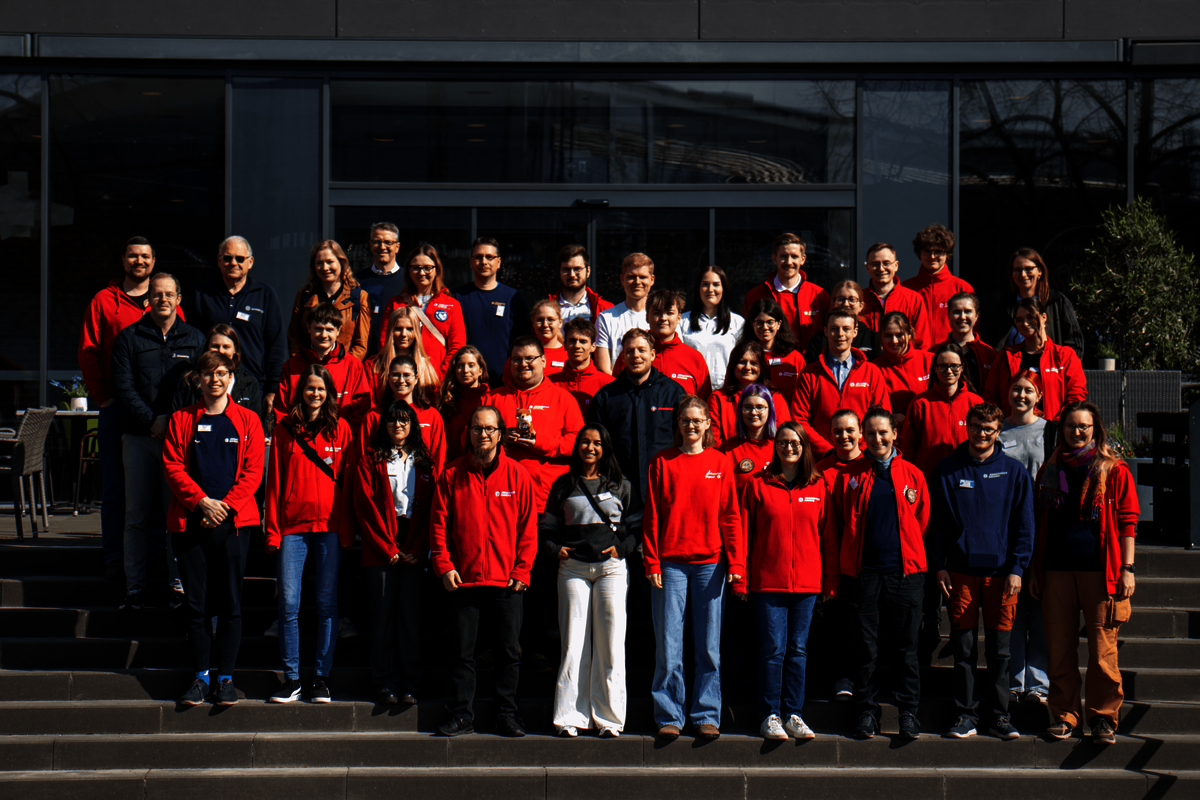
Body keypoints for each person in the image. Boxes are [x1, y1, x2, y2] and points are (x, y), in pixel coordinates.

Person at [1031, 401, 1138, 745]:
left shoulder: (1114, 469)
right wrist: (1035, 570)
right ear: (1060, 429)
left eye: (1083, 426)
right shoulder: (1049, 469)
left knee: (1103, 650)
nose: (1076, 432)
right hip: (1056, 570)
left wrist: (1127, 568)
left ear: (1096, 429)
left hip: (1100, 572)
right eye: (1070, 425)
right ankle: (1065, 715)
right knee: (1059, 649)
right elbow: (1039, 523)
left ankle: (1102, 718)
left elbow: (1128, 522)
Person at [164, 350, 265, 708]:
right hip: (191, 523)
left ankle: (226, 678)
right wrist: (202, 502)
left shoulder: (248, 420)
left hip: (233, 524)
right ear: (198, 379)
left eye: (222, 373)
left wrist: (223, 508)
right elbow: (173, 467)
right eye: (208, 374)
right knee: (196, 605)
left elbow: (253, 471)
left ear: (231, 377)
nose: (215, 380)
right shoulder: (181, 419)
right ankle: (200, 677)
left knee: (231, 604)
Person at [431, 406, 538, 738]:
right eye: (477, 428)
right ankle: (462, 714)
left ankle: (506, 715)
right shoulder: (451, 474)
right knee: (462, 652)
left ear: (501, 433)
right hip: (464, 579)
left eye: (490, 429)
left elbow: (528, 529)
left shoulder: (518, 475)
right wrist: (444, 565)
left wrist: (523, 570)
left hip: (507, 580)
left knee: (509, 652)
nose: (483, 435)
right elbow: (439, 526)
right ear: (469, 433)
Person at [930, 402, 1035, 741]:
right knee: (963, 650)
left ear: (998, 431)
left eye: (989, 428)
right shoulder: (946, 469)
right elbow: (937, 524)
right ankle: (965, 715)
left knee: (1000, 651)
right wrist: (940, 565)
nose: (981, 433)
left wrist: (1018, 567)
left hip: (1002, 575)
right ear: (967, 426)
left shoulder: (1013, 471)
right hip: (960, 574)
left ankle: (1000, 716)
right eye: (976, 426)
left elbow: (1024, 525)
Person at [643, 396, 743, 741]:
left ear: (708, 424)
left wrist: (736, 561)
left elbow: (730, 515)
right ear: (678, 424)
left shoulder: (720, 462)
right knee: (669, 644)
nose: (691, 425)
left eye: (697, 420)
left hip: (710, 565)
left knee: (709, 646)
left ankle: (706, 714)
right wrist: (652, 560)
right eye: (685, 420)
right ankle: (669, 714)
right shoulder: (662, 462)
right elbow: (652, 515)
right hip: (670, 563)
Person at [828, 407, 930, 741]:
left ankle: (908, 712)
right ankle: (866, 712)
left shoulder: (913, 474)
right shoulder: (850, 475)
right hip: (863, 574)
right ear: (863, 437)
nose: (877, 439)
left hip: (905, 574)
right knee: (865, 648)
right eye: (870, 433)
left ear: (895, 434)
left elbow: (922, 519)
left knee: (905, 648)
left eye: (883, 432)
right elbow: (840, 519)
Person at [110, 272, 206, 611]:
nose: (163, 299)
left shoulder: (195, 339)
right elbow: (122, 387)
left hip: (178, 443)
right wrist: (152, 421)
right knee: (135, 516)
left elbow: (200, 388)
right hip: (138, 438)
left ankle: (177, 587)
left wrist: (173, 424)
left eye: (169, 294)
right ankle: (134, 588)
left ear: (178, 299)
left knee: (176, 516)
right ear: (147, 299)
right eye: (156, 294)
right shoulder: (129, 338)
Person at [78, 237, 171, 581]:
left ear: (153, 261)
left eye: (145, 256)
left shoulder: (165, 300)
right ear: (123, 260)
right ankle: (115, 557)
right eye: (133, 256)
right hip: (117, 409)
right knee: (117, 487)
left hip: (157, 413)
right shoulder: (104, 301)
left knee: (159, 486)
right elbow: (88, 350)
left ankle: (155, 556)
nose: (139, 261)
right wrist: (101, 396)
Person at [737, 421, 837, 741]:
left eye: (795, 442)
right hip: (768, 582)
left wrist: (830, 581)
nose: (788, 447)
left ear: (805, 446)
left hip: (807, 584)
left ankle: (794, 714)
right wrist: (740, 578)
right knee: (773, 649)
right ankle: (770, 715)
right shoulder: (758, 484)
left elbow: (828, 538)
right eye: (782, 441)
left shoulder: (818, 486)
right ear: (775, 446)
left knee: (798, 649)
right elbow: (743, 533)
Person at [265, 364, 354, 704]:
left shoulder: (342, 429)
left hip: (330, 527)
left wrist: (346, 529)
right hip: (292, 527)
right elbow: (274, 482)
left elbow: (349, 483)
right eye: (310, 387)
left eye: (321, 388)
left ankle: (320, 678)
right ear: (300, 391)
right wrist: (272, 531)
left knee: (326, 602)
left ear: (329, 393)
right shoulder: (285, 429)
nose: (315, 393)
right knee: (289, 603)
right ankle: (291, 679)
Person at [539, 424, 636, 737]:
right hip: (573, 570)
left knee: (610, 644)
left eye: (596, 443)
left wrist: (622, 548)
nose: (590, 448)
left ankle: (609, 719)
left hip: (611, 569)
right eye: (584, 442)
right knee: (573, 644)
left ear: (605, 448)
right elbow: (547, 525)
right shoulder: (563, 484)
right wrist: (554, 549)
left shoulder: (621, 485)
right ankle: (570, 716)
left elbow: (637, 525)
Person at [353, 399, 437, 706]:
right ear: (384, 425)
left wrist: (419, 548)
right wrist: (387, 547)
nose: (398, 425)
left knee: (410, 619)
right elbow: (364, 506)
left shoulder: (424, 461)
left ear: (412, 425)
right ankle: (384, 683)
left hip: (413, 541)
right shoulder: (371, 459)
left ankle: (410, 683)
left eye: (404, 420)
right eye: (392, 420)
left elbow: (432, 508)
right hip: (381, 545)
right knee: (383, 618)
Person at [587, 328, 687, 527]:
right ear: (622, 356)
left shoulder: (673, 393)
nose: (636, 356)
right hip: (619, 488)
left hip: (664, 486)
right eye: (630, 351)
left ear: (652, 354)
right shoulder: (606, 396)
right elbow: (595, 445)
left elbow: (686, 441)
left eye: (641, 350)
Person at [1001, 370, 1057, 704]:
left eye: (1028, 390)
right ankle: (1014, 680)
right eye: (1016, 389)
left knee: (1039, 609)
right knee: (1012, 608)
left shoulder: (1050, 431)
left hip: (1043, 524)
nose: (1021, 395)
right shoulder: (998, 431)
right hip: (1008, 527)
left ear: (1039, 396)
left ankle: (1038, 682)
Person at [185, 235, 287, 415]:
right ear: (219, 260)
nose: (233, 263)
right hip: (208, 386)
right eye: (227, 258)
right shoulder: (201, 294)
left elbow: (276, 346)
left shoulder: (265, 295)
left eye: (240, 259)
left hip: (252, 388)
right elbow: (190, 341)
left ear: (250, 262)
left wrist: (273, 389)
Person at [486, 336, 585, 512]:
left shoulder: (563, 398)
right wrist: (498, 437)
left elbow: (578, 441)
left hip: (548, 499)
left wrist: (539, 442)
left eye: (530, 358)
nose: (523, 364)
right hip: (500, 497)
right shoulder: (492, 399)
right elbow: (468, 437)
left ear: (543, 361)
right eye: (517, 359)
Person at [813, 408, 864, 701]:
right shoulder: (820, 471)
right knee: (833, 622)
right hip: (829, 558)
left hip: (863, 559)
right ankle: (837, 678)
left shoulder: (872, 465)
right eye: (837, 431)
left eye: (849, 430)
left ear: (860, 433)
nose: (844, 436)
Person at [793, 309, 890, 458]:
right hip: (822, 459)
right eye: (834, 328)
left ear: (855, 332)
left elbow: (882, 417)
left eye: (846, 329)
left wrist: (861, 450)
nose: (840, 334)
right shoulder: (809, 374)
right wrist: (827, 451)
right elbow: (799, 419)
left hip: (864, 458)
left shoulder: (872, 372)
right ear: (825, 331)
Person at [984, 297, 1087, 423]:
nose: (1025, 323)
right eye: (1019, 320)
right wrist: (1000, 422)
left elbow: (1076, 396)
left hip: (1054, 428)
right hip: (1012, 429)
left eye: (1030, 317)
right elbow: (990, 394)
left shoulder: (1065, 355)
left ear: (1044, 317)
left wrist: (1057, 425)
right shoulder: (1006, 356)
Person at [274, 302, 373, 428]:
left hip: (338, 438)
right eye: (318, 329)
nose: (324, 335)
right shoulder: (291, 366)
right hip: (297, 437)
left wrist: (345, 436)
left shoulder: (353, 366)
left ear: (338, 330)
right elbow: (281, 411)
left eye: (329, 330)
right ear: (308, 328)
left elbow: (360, 410)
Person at [377, 243, 467, 375]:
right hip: (402, 377)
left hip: (437, 377)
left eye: (428, 268)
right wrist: (395, 374)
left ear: (437, 270)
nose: (421, 272)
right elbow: (385, 342)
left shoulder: (451, 304)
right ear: (409, 270)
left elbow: (457, 346)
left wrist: (441, 376)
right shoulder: (396, 303)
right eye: (416, 268)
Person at [899, 341, 984, 479]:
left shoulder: (975, 402)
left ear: (962, 367)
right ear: (935, 368)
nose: (949, 371)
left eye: (954, 366)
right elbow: (908, 447)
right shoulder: (920, 403)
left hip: (968, 477)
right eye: (943, 366)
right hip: (930, 479)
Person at [982, 248, 1084, 357]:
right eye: (1017, 270)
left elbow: (1075, 343)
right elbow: (989, 342)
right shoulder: (1004, 305)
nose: (1023, 274)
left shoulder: (1057, 302)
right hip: (1012, 366)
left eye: (1028, 269)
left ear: (1039, 271)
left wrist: (1064, 365)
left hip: (1050, 366)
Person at [455, 237, 530, 385]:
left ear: (499, 262)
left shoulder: (513, 298)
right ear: (471, 262)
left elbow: (524, 341)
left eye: (489, 257)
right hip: (467, 380)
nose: (484, 262)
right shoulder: (457, 297)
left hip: (505, 381)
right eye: (478, 257)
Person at [615, 290, 712, 399]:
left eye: (669, 313)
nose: (663, 318)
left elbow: (703, 404)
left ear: (679, 318)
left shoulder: (695, 359)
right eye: (657, 313)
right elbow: (614, 397)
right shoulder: (632, 354)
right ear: (647, 317)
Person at [742, 232, 829, 352]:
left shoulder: (819, 295)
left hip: (810, 363)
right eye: (783, 256)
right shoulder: (755, 296)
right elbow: (748, 337)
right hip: (768, 362)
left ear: (803, 259)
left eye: (794, 256)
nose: (789, 262)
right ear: (774, 259)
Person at [286, 239, 371, 360]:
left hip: (344, 368)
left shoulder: (358, 297)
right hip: (309, 368)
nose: (325, 268)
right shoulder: (305, 296)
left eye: (330, 262)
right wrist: (301, 364)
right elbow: (294, 337)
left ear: (341, 262)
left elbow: (361, 345)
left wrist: (341, 367)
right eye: (319, 263)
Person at [368, 355, 448, 471]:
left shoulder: (432, 416)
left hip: (423, 480)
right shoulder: (373, 416)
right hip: (383, 480)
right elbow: (363, 461)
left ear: (416, 379)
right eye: (396, 375)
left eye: (406, 375)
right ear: (388, 378)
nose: (401, 380)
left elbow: (439, 460)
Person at [706, 341, 791, 446]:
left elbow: (784, 434)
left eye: (753, 363)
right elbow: (713, 440)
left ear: (761, 367)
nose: (747, 367)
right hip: (728, 455)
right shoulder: (717, 398)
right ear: (733, 366)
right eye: (742, 362)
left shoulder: (774, 397)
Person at [902, 224, 974, 345]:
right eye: (927, 251)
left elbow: (973, 332)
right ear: (919, 253)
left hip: (953, 354)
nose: (932, 256)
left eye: (938, 252)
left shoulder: (962, 288)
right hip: (916, 355)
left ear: (947, 253)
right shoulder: (905, 288)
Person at [173, 324, 263, 420]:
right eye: (215, 346)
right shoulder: (188, 382)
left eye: (226, 347)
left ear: (235, 350)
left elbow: (255, 422)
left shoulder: (249, 384)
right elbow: (177, 419)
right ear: (207, 348)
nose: (220, 351)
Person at [680, 265, 744, 391]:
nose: (710, 289)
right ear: (698, 288)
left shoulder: (738, 322)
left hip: (726, 392)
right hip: (693, 392)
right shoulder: (682, 321)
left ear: (723, 288)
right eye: (705, 284)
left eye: (716, 284)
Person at [860, 242, 931, 350]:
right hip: (867, 360)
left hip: (902, 360)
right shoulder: (858, 300)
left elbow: (921, 344)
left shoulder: (913, 299)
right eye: (875, 264)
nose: (881, 268)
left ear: (896, 265)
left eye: (886, 263)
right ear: (867, 268)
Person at [595, 253, 655, 374]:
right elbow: (604, 369)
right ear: (622, 279)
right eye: (631, 277)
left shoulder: (662, 319)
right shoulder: (606, 318)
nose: (637, 282)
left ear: (652, 280)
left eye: (642, 277)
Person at [368, 306, 441, 403]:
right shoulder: (373, 365)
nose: (403, 334)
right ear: (390, 331)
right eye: (398, 329)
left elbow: (434, 403)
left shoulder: (430, 366)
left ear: (416, 332)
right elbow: (369, 403)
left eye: (409, 329)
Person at [354, 222, 406, 357]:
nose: (382, 247)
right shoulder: (357, 281)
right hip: (364, 358)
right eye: (377, 242)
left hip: (399, 358)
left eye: (388, 242)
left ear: (397, 247)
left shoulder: (409, 280)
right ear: (370, 245)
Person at [872, 311, 932, 426]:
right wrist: (889, 415)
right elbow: (872, 407)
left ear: (909, 334)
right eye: (888, 335)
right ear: (881, 337)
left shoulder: (930, 360)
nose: (894, 341)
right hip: (897, 432)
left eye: (899, 335)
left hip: (928, 428)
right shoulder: (874, 369)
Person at [740, 297, 806, 401]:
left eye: (770, 322)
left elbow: (804, 396)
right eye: (759, 322)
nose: (765, 327)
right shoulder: (742, 357)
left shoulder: (795, 358)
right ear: (752, 324)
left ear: (779, 324)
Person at [718, 384, 778, 494]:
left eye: (759, 407)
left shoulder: (780, 446)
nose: (753, 412)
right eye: (747, 407)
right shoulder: (727, 449)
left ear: (770, 410)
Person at [551, 317, 616, 416]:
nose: (577, 346)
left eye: (583, 341)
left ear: (593, 347)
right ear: (565, 345)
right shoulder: (550, 383)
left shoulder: (609, 384)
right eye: (572, 341)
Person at [437, 345, 490, 463]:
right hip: (452, 466)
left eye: (471, 365)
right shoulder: (445, 400)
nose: (465, 370)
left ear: (480, 370)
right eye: (460, 366)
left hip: (483, 465)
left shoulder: (491, 399)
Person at [805, 280, 879, 360]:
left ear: (861, 306)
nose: (846, 304)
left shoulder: (873, 338)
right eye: (841, 299)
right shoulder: (819, 340)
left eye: (852, 299)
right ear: (833, 304)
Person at [500, 299, 568, 383]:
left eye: (550, 319)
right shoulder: (519, 353)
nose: (545, 324)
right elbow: (507, 386)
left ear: (560, 322)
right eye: (540, 320)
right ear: (533, 322)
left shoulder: (569, 353)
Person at [944, 292, 996, 394]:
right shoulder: (934, 352)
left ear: (976, 316)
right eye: (957, 312)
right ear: (948, 316)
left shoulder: (990, 354)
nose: (962, 317)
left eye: (968, 311)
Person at [551, 244, 613, 321]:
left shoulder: (606, 309)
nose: (572, 275)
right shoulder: (544, 310)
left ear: (588, 271)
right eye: (566, 269)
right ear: (559, 271)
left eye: (577, 269)